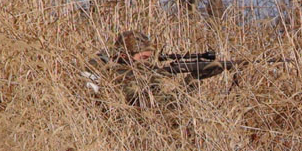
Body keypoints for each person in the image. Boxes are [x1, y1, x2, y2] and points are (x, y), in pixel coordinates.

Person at [84, 30, 223, 109]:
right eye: (143, 58)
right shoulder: (116, 74)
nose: (146, 63)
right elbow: (163, 106)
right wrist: (192, 80)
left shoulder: (144, 72)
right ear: (124, 55)